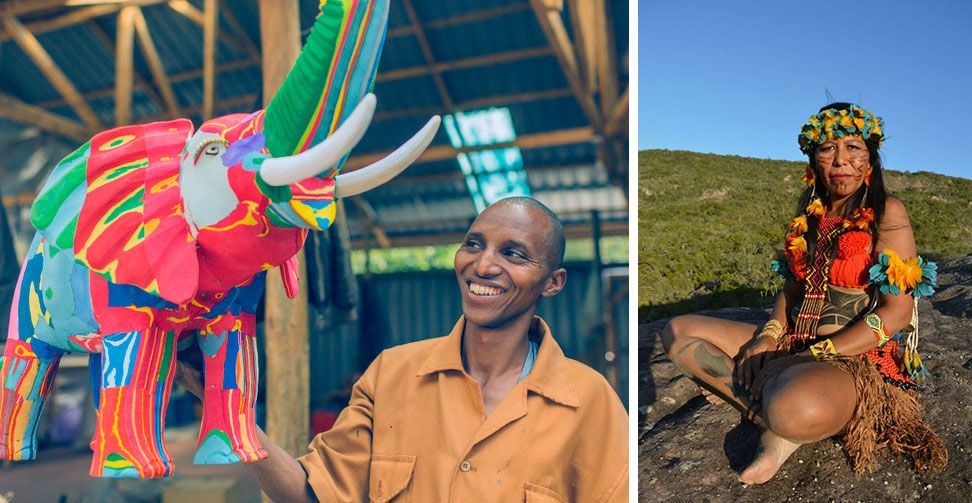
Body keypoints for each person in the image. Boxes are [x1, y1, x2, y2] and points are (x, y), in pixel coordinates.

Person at [176, 196, 628, 501]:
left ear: (553, 282)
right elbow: (314, 493)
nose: (484, 264)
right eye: (474, 244)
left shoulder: (589, 403)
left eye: (514, 254)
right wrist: (224, 404)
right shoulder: (390, 374)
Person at [661, 103, 947, 484]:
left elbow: (896, 311)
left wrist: (814, 354)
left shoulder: (887, 213)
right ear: (814, 159)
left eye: (853, 148)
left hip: (854, 358)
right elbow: (792, 290)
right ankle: (772, 411)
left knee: (796, 408)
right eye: (828, 149)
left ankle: (777, 422)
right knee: (678, 333)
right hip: (796, 340)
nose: (841, 160)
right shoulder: (809, 217)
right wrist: (768, 336)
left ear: (870, 157)